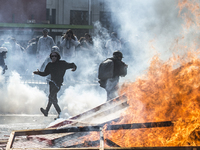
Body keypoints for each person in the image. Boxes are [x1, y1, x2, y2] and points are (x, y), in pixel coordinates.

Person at [33, 48, 77, 120]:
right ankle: (59, 114)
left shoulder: (62, 63)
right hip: (52, 83)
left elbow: (72, 64)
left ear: (58, 57)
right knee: (54, 100)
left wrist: (74, 68)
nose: (53, 57)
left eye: (55, 56)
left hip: (58, 84)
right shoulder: (49, 65)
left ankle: (47, 111)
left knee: (51, 97)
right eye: (52, 56)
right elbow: (45, 73)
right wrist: (38, 73)